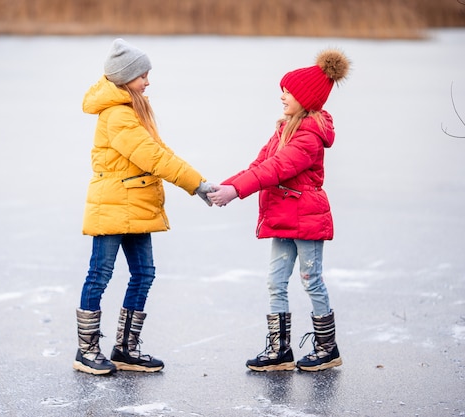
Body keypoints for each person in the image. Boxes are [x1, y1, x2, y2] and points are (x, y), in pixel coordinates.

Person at [74, 38, 213, 376]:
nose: (148, 81)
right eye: (143, 75)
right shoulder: (118, 115)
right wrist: (195, 184)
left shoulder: (133, 109)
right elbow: (152, 157)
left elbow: (159, 150)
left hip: (133, 202)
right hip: (113, 204)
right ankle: (86, 350)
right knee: (100, 275)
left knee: (144, 274)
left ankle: (125, 348)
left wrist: (196, 182)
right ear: (125, 77)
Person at [207, 49, 350, 372]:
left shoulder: (309, 138)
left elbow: (276, 169)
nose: (283, 96)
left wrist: (236, 191)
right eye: (283, 90)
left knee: (311, 280)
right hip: (283, 216)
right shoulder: (284, 129)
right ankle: (278, 350)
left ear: (307, 98)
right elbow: (259, 164)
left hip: (307, 217)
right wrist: (225, 187)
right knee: (275, 282)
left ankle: (327, 347)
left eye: (289, 91)